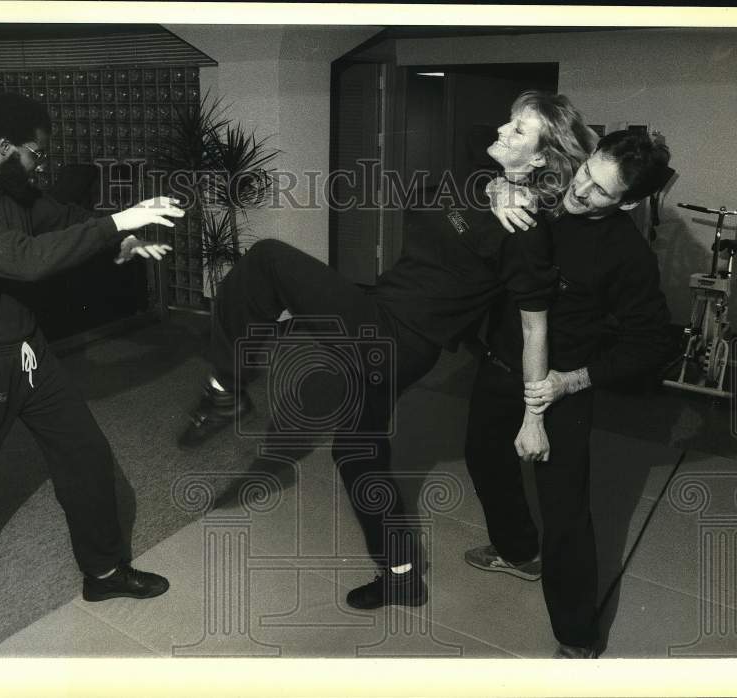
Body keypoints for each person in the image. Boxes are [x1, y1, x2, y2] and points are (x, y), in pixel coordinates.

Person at [179, 91, 597, 611]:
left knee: (266, 259)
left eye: (518, 131)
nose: (502, 130)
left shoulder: (527, 232)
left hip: (400, 338)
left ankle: (224, 389)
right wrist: (496, 187)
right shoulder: (476, 178)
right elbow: (428, 203)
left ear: (539, 158)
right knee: (357, 453)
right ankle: (400, 576)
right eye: (508, 120)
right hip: (380, 310)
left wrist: (534, 416)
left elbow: (536, 329)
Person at [0, 93, 184, 658]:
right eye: (33, 154)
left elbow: (70, 221)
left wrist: (121, 239)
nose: (39, 166)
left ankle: (102, 574)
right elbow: (24, 258)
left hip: (29, 354)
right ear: (2, 148)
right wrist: (122, 220)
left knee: (88, 456)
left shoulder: (18, 194)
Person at [462, 130, 674, 658]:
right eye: (587, 171)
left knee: (566, 513)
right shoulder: (555, 190)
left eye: (601, 191)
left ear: (628, 201)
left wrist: (570, 381)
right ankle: (517, 552)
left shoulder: (627, 255)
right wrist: (496, 189)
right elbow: (491, 188)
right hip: (501, 362)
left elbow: (652, 344)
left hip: (563, 383)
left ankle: (577, 638)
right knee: (484, 458)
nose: (581, 191)